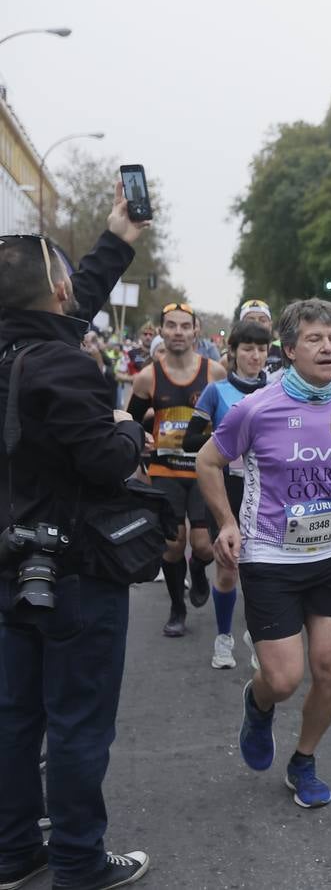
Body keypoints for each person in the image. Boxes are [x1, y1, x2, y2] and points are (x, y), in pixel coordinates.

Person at [0, 185, 154, 890]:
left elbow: (51, 317)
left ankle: (12, 850)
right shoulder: (63, 366)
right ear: (60, 289)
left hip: (8, 567)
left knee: (14, 718)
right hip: (74, 573)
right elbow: (106, 461)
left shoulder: (25, 349)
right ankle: (77, 861)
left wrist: (116, 239)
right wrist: (126, 428)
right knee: (78, 725)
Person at [196, 298, 331, 810]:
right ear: (288, 349)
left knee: (330, 670)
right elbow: (208, 461)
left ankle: (304, 759)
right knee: (284, 679)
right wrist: (224, 523)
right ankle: (257, 702)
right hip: (269, 557)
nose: (328, 347)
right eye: (314, 339)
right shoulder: (256, 408)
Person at [125, 302, 226, 637]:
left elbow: (229, 419)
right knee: (171, 545)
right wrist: (140, 440)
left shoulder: (214, 372)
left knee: (203, 546)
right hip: (164, 471)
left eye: (185, 326)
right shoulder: (146, 378)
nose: (178, 332)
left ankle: (198, 570)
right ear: (161, 331)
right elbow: (130, 423)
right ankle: (177, 608)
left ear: (196, 331)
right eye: (172, 326)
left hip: (202, 471)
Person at [182, 319, 272, 670]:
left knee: (262, 570)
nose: (255, 356)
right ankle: (224, 638)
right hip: (227, 486)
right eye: (247, 348)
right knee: (228, 568)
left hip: (267, 490)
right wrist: (227, 443)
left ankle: (256, 633)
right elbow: (191, 440)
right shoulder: (216, 391)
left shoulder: (278, 390)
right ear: (232, 352)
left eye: (262, 349)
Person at [237, 299, 286, 375]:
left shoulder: (285, 349)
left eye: (262, 320)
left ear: (270, 325)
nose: (257, 324)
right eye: (251, 320)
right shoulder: (232, 355)